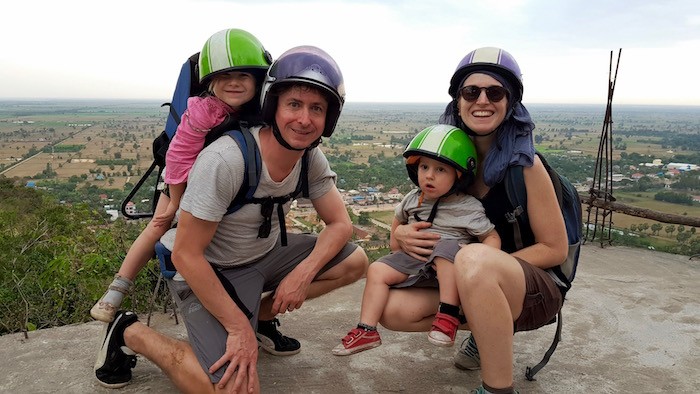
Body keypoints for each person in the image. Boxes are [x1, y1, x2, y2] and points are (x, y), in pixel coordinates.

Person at [93, 45, 368, 393]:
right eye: (294, 105)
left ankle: (261, 317)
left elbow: (340, 224)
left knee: (355, 261)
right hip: (211, 269)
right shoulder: (227, 159)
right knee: (228, 388)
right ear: (273, 105)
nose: (304, 119)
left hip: (263, 255)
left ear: (330, 118)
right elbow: (186, 254)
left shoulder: (309, 158)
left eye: (317, 108)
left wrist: (301, 274)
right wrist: (238, 329)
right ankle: (128, 331)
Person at [377, 47, 569, 394]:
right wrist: (402, 233)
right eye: (471, 91)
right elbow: (408, 229)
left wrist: (479, 271)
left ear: (511, 102)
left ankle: (497, 388)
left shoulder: (525, 166)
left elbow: (555, 249)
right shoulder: (445, 161)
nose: (482, 100)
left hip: (533, 287)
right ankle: (488, 329)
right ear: (458, 101)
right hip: (468, 275)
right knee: (392, 309)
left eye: (495, 92)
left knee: (473, 258)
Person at [90, 28, 272, 323]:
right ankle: (116, 290)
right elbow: (177, 157)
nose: (234, 83)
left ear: (258, 80)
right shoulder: (205, 111)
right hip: (179, 180)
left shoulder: (259, 113)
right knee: (158, 226)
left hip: (221, 186)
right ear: (210, 82)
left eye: (243, 76)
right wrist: (176, 201)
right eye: (225, 77)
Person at [333, 124, 500, 356]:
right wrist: (399, 235)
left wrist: (480, 259)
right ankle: (367, 329)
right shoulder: (413, 199)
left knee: (446, 248)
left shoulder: (468, 208)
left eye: (441, 169)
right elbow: (396, 228)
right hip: (417, 260)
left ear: (459, 175)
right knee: (377, 270)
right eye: (424, 167)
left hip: (450, 268)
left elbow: (490, 236)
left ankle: (448, 315)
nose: (429, 175)